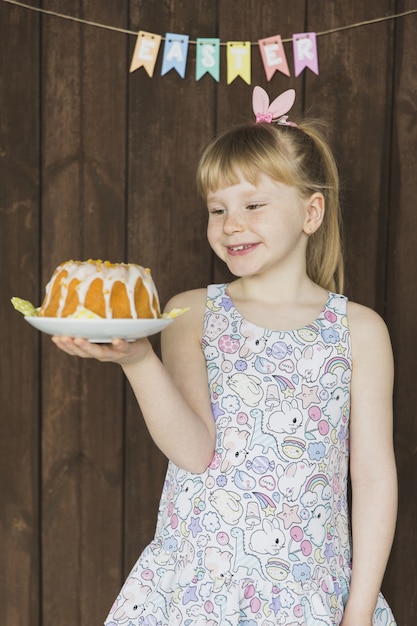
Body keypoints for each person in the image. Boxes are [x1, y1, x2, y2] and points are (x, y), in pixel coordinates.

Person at [53, 87, 397, 626]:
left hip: (308, 596)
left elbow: (374, 477)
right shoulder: (190, 313)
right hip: (196, 593)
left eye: (252, 205)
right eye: (218, 209)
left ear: (312, 212)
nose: (230, 224)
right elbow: (194, 453)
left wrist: (357, 611)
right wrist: (138, 360)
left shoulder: (359, 331)